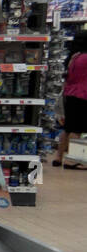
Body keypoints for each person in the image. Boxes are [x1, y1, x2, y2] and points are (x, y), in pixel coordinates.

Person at [53, 31, 87, 169]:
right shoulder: (86, 57)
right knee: (77, 129)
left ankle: (58, 157)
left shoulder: (73, 56)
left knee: (67, 128)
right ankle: (72, 160)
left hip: (70, 93)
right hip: (83, 94)